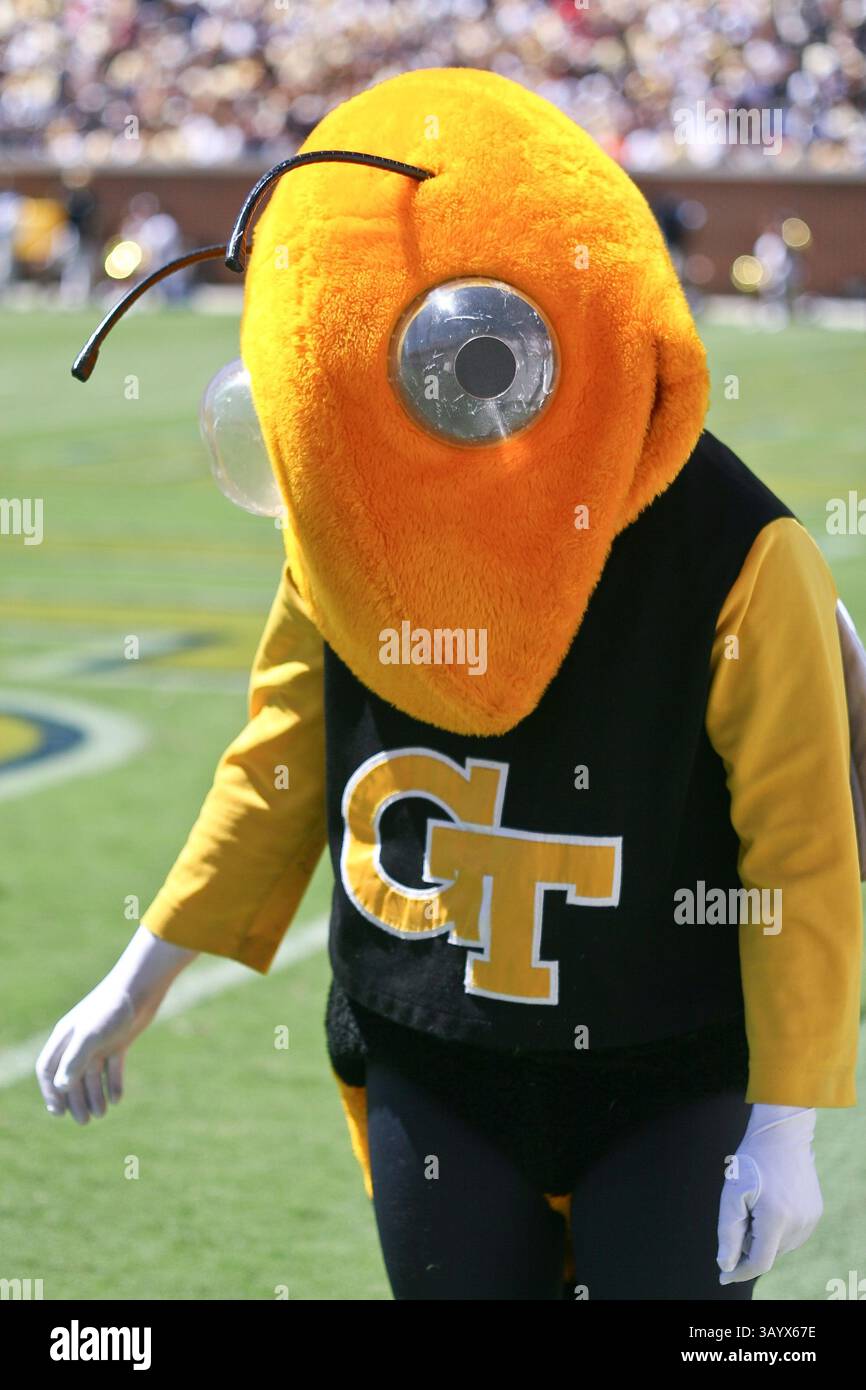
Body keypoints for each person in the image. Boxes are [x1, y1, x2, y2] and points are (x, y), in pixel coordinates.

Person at [37, 67, 863, 1301]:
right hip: (432, 1049)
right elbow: (278, 759)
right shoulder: (358, 523)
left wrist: (787, 1118)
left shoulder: (737, 552)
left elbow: (798, 846)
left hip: (668, 1062)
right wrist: (141, 968)